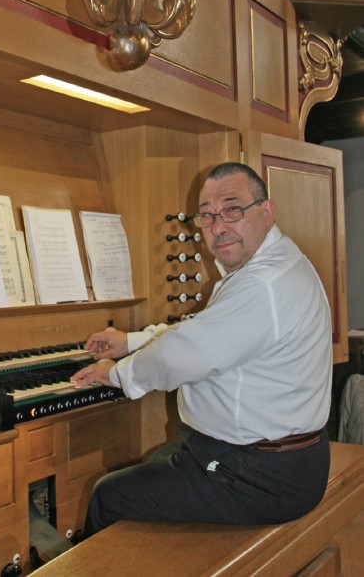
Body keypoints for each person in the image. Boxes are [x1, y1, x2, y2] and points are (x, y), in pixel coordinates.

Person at [71, 161, 333, 539]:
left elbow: (184, 354)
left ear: (267, 211)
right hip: (270, 461)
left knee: (108, 494)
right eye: (207, 216)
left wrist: (115, 373)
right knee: (154, 466)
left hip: (258, 476)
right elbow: (207, 332)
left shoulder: (264, 283)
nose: (218, 227)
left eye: (232, 209)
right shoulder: (274, 264)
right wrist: (131, 342)